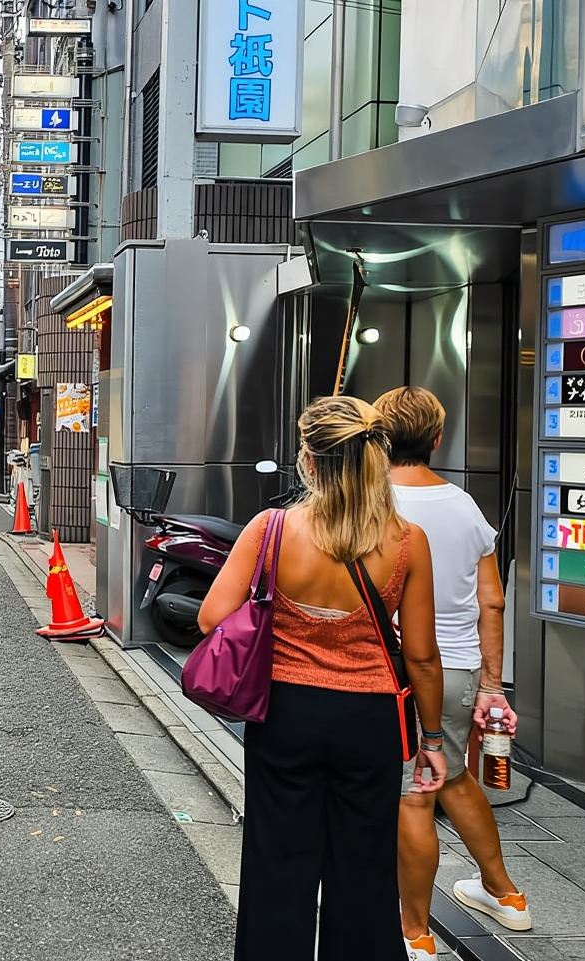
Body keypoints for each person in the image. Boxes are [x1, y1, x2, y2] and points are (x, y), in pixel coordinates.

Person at [196, 395, 447, 961]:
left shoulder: (273, 528)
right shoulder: (407, 541)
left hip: (285, 712)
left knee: (275, 863)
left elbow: (212, 617)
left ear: (308, 461)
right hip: (370, 719)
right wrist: (431, 740)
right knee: (363, 867)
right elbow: (425, 657)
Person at [374, 387, 531, 960]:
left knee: (414, 793)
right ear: (438, 439)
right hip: (462, 667)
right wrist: (493, 685)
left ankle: (415, 932)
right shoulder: (466, 506)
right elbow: (493, 602)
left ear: (379, 437)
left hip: (397, 669)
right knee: (454, 778)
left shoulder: (372, 504)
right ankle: (505, 894)